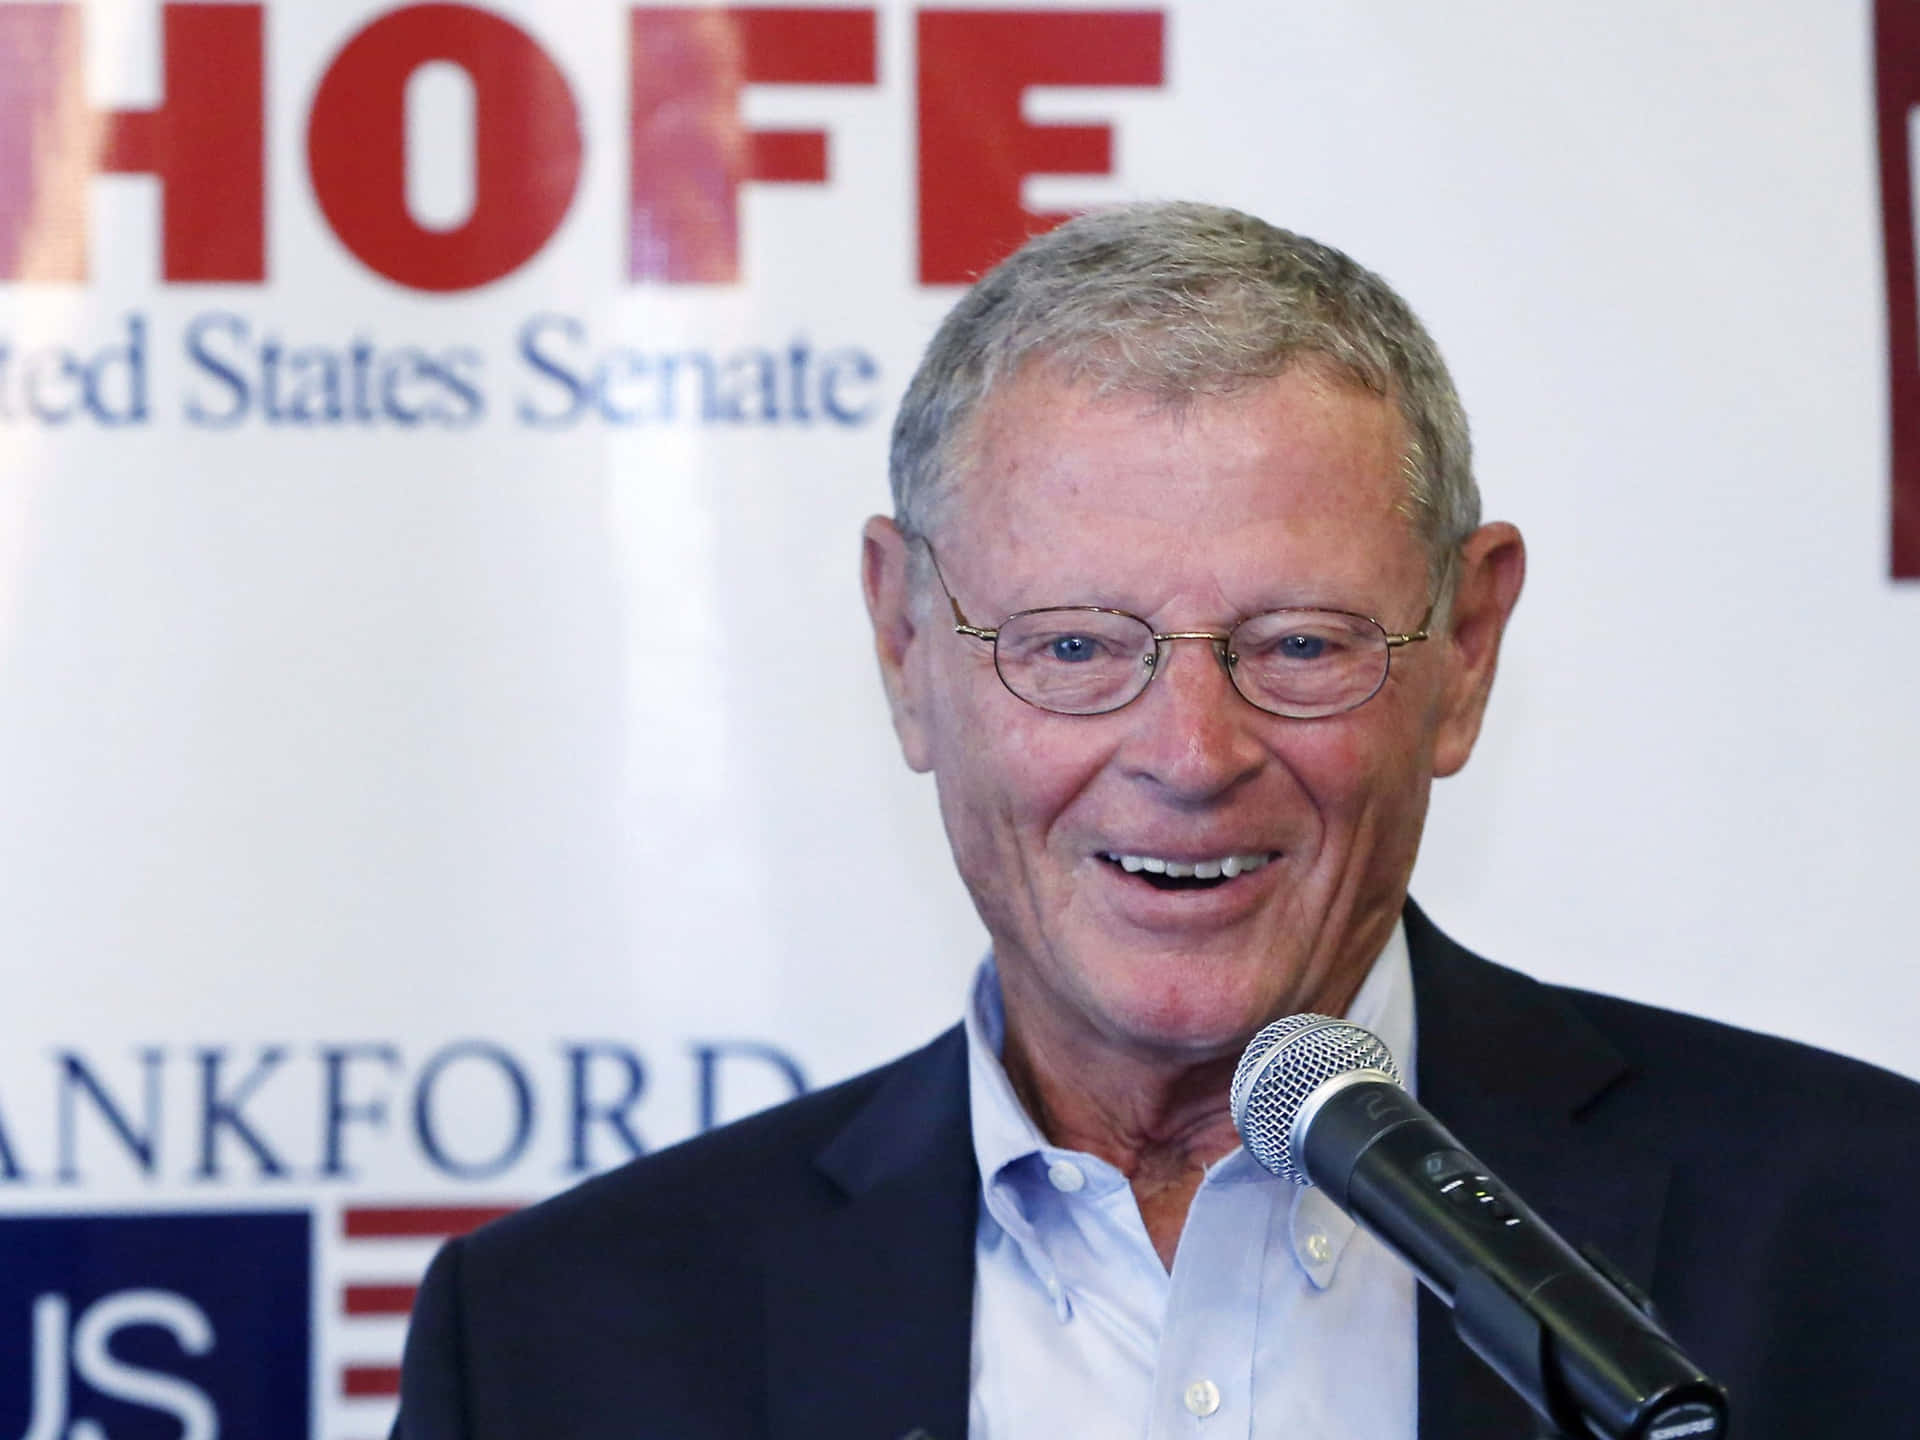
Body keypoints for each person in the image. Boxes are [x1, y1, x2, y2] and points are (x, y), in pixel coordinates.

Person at [391, 204, 1920, 1440]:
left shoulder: (1867, 1236)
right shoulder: (560, 1340)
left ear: (1463, 654)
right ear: (906, 647)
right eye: (1071, 647)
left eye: (1304, 646)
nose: (1191, 755)